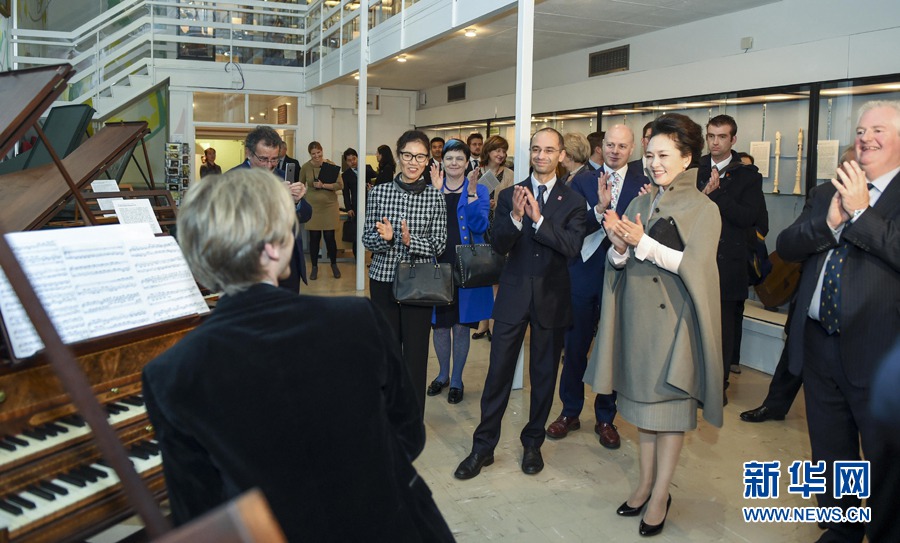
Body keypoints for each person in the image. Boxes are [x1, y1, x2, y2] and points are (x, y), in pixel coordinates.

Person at [142, 168, 454, 542]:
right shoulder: (357, 320)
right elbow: (408, 434)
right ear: (273, 246)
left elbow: (201, 510)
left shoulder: (171, 373)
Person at [584, 113, 723, 537]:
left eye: (664, 155)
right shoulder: (640, 202)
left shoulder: (703, 208)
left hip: (675, 326)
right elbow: (619, 264)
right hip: (638, 323)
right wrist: (620, 248)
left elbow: (695, 267)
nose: (655, 163)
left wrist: (643, 243)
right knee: (642, 411)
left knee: (671, 414)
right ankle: (644, 484)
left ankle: (661, 494)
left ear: (686, 158)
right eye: (650, 155)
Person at [777, 100, 900, 543]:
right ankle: (841, 529)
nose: (865, 137)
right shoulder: (830, 189)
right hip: (819, 345)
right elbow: (788, 246)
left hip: (882, 356)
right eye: (862, 130)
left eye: (879, 130)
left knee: (886, 460)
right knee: (830, 453)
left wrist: (863, 214)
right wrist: (829, 224)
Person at [454, 127, 587, 480]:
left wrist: (538, 219)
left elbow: (572, 246)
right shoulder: (511, 192)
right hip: (513, 296)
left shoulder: (572, 201)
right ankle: (483, 448)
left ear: (561, 155)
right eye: (536, 149)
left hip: (552, 299)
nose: (541, 155)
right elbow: (498, 245)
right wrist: (513, 217)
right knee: (497, 374)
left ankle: (533, 444)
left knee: (543, 377)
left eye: (549, 150)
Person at [548, 124, 647, 449]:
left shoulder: (644, 184)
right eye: (610, 145)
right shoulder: (583, 181)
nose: (615, 151)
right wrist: (600, 210)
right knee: (575, 347)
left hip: (626, 274)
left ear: (632, 149)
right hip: (584, 272)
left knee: (612, 348)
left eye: (622, 146)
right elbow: (570, 225)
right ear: (600, 147)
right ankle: (570, 411)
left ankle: (606, 417)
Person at [363, 130, 447, 413]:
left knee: (415, 352)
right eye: (408, 155)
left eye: (420, 156)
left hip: (418, 283)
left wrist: (410, 241)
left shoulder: (435, 198)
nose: (414, 162)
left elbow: (438, 244)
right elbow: (366, 237)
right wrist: (385, 240)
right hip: (383, 280)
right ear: (398, 156)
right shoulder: (380, 192)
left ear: (428, 161)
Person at [696, 114, 765, 398]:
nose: (715, 142)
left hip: (728, 263)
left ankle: (717, 387)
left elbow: (750, 218)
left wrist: (718, 195)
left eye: (721, 136)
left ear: (733, 139)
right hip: (697, 259)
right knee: (696, 325)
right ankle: (695, 380)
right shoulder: (694, 167)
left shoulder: (748, 175)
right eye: (711, 136)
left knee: (722, 329)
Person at [425, 139, 493, 405]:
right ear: (442, 161)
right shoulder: (432, 189)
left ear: (468, 163)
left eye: (459, 159)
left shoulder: (480, 190)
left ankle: (456, 379)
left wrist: (474, 193)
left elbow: (479, 224)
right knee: (440, 327)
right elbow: (427, 223)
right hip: (437, 263)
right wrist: (437, 192)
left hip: (466, 268)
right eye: (449, 158)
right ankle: (442, 374)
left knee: (461, 326)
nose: (453, 163)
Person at [229, 125, 311, 293]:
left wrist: (296, 202)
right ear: (248, 153)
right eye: (263, 159)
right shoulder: (232, 180)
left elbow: (306, 215)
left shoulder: (281, 176)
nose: (269, 165)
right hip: (252, 264)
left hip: (288, 265)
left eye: (274, 159)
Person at [470, 135, 515, 341]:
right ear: (488, 151)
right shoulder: (477, 173)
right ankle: (483, 322)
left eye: (503, 150)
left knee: (497, 277)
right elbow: (469, 198)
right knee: (483, 276)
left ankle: (494, 323)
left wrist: (498, 203)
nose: (501, 154)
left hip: (500, 228)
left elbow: (514, 201)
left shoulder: (509, 174)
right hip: (480, 229)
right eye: (497, 150)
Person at [300, 141, 344, 280]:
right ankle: (314, 267)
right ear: (310, 154)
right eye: (313, 154)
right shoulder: (305, 167)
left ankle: (334, 264)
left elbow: (339, 185)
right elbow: (300, 185)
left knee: (330, 237)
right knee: (314, 238)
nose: (317, 156)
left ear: (322, 151)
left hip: (329, 206)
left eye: (318, 152)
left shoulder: (330, 165)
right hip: (313, 207)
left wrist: (323, 185)